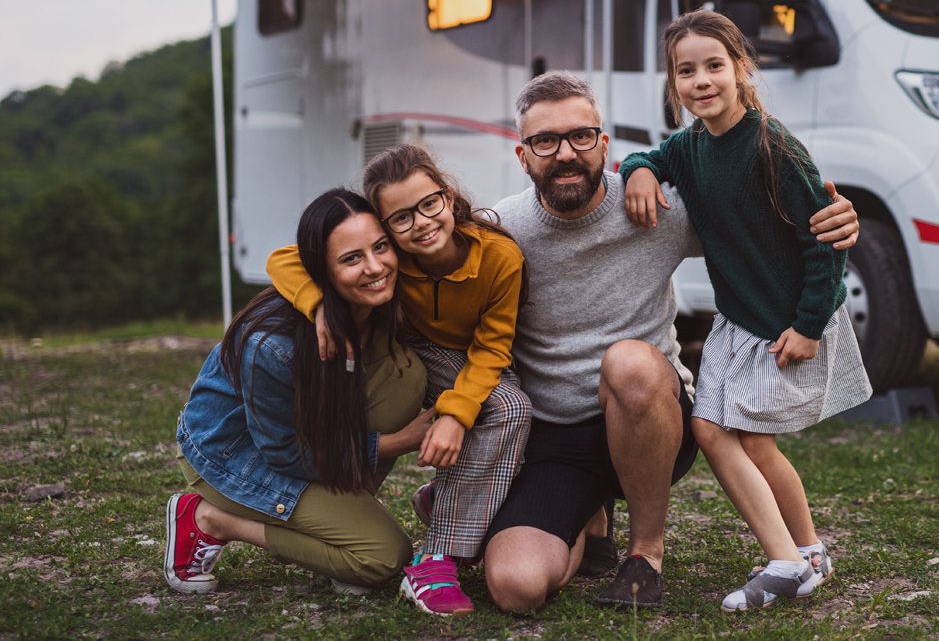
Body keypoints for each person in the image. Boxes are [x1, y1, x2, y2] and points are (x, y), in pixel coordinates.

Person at [480, 70, 861, 612]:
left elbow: (762, 223)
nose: (565, 153)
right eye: (545, 141)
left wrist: (833, 220)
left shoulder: (656, 209)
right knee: (517, 589)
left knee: (630, 362)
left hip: (652, 419)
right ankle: (589, 520)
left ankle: (644, 553)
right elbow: (408, 252)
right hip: (557, 441)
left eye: (580, 136)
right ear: (523, 156)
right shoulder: (500, 227)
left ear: (603, 144)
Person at [619, 9, 873, 611]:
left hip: (788, 320)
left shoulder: (772, 146)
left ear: (740, 68)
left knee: (732, 435)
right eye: (686, 71)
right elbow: (650, 156)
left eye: (714, 66)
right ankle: (806, 554)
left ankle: (787, 561)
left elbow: (826, 239)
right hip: (740, 320)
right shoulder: (691, 146)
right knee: (744, 441)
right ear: (672, 81)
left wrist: (808, 327)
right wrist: (638, 173)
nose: (701, 81)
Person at [266, 144, 531, 616]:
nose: (422, 223)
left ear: (448, 197)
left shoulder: (498, 257)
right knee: (506, 408)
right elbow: (283, 259)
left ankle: (438, 550)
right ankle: (415, 550)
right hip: (404, 354)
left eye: (429, 204)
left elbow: (492, 348)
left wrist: (453, 414)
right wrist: (319, 303)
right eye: (401, 219)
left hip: (467, 358)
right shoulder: (386, 256)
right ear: (383, 228)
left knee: (509, 407)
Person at [165, 188, 433, 596]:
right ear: (320, 272)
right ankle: (209, 519)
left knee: (407, 374)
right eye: (351, 259)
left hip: (310, 438)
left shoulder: (378, 304)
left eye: (380, 247)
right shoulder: (273, 346)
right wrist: (397, 443)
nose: (376, 267)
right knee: (380, 559)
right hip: (237, 455)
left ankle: (344, 519)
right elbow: (285, 452)